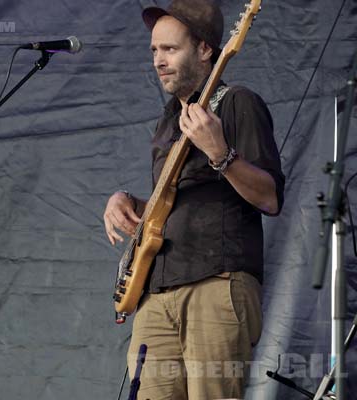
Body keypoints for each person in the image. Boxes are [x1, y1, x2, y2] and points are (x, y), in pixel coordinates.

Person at [102, 1, 285, 399]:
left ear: (205, 50)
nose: (158, 60)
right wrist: (125, 199)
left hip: (216, 283)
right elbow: (174, 197)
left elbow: (270, 198)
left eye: (170, 49)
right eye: (154, 50)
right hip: (158, 290)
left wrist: (221, 154)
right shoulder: (169, 119)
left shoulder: (237, 103)